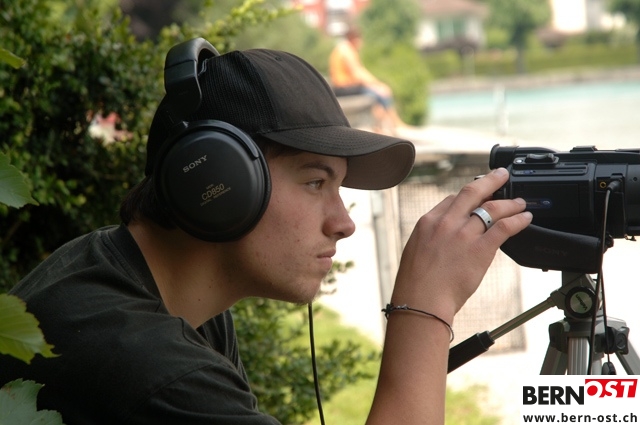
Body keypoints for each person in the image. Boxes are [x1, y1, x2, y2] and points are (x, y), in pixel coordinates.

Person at [0, 37, 532, 424]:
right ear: (216, 179)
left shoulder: (134, 282)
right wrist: (425, 308)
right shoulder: (146, 365)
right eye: (315, 182)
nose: (344, 222)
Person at [329, 26, 410, 134]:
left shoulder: (344, 49)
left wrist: (375, 85)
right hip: (344, 88)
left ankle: (384, 126)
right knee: (380, 93)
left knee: (377, 94)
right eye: (359, 39)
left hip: (345, 87)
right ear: (353, 38)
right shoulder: (346, 50)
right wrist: (377, 85)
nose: (361, 43)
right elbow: (358, 73)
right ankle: (394, 123)